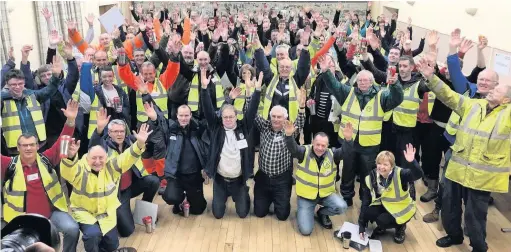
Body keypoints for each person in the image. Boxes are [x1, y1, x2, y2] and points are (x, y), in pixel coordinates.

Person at [416, 56, 511, 252]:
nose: (490, 90)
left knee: (475, 215)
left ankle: (478, 246)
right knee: (450, 206)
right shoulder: (473, 105)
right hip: (458, 167)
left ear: (507, 99)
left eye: (497, 89)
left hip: (481, 177)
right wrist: (431, 77)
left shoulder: (507, 115)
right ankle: (454, 235)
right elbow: (448, 95)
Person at [1, 99, 80, 252]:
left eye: (32, 144)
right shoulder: (7, 164)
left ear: (37, 146)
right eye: (24, 145)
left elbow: (62, 141)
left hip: (52, 214)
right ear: (18, 148)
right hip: (20, 219)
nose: (28, 148)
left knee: (72, 229)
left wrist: (70, 120)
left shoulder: (47, 158)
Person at [60, 123, 152, 252]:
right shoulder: (80, 168)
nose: (97, 161)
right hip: (86, 214)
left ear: (106, 158)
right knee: (92, 235)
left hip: (106, 215)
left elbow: (126, 157)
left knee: (112, 246)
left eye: (101, 158)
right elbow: (67, 172)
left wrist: (139, 144)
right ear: (87, 159)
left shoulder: (111, 166)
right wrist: (70, 157)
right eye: (94, 158)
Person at [201, 67, 262, 219]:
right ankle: (222, 195)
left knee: (242, 213)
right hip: (220, 180)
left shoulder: (244, 126)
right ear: (221, 118)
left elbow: (252, 110)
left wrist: (258, 91)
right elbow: (208, 109)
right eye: (225, 117)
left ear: (236, 116)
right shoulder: (217, 128)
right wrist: (203, 88)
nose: (228, 120)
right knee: (218, 214)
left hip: (239, 180)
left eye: (231, 117)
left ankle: (243, 194)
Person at [88, 108, 160, 237]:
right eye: (116, 131)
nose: (120, 134)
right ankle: (110, 215)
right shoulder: (103, 146)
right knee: (127, 231)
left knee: (153, 181)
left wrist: (154, 120)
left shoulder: (131, 141)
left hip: (131, 185)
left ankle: (144, 209)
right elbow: (92, 148)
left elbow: (153, 135)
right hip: (115, 193)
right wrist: (98, 130)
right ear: (109, 133)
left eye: (122, 131)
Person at [284, 121, 353, 236]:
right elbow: (293, 149)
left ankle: (322, 213)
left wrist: (348, 140)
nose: (320, 148)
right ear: (312, 143)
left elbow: (346, 152)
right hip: (306, 197)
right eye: (317, 144)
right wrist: (288, 136)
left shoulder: (333, 154)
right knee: (306, 231)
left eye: (323, 145)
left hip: (325, 195)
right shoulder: (303, 152)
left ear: (328, 145)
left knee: (342, 206)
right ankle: (305, 211)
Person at [145, 102, 208, 216]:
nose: (184, 118)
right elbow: (160, 121)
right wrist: (153, 116)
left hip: (194, 175)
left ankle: (190, 197)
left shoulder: (198, 128)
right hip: (176, 175)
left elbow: (212, 115)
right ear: (177, 116)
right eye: (181, 115)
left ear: (190, 116)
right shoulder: (171, 129)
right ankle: (180, 199)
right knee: (170, 197)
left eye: (186, 115)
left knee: (198, 210)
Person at [253, 93, 306, 221]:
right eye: (274, 116)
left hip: (282, 179)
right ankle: (268, 198)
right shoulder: (264, 126)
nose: (276, 119)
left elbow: (300, 122)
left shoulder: (289, 130)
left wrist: (302, 107)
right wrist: (251, 93)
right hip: (263, 177)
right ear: (270, 117)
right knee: (259, 213)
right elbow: (252, 113)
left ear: (285, 118)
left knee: (282, 216)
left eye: (279, 117)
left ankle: (276, 198)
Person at [358, 145, 423, 244]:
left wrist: (412, 162)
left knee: (382, 221)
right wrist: (361, 226)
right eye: (379, 163)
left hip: (402, 208)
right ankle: (383, 225)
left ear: (392, 166)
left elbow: (418, 174)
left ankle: (400, 227)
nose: (381, 167)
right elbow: (365, 201)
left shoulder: (401, 174)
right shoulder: (371, 177)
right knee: (368, 213)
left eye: (385, 164)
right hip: (385, 205)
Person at [1, 56, 63, 155]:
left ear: (24, 83)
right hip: (16, 149)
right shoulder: (2, 101)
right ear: (7, 85)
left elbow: (50, 89)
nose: (17, 87)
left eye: (20, 83)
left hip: (39, 145)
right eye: (13, 84)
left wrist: (55, 75)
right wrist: (9, 64)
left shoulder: (33, 95)